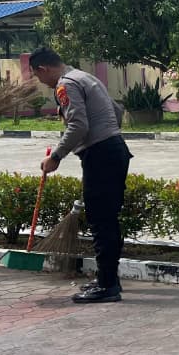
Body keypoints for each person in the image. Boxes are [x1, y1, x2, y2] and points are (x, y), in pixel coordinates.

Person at [29, 48, 131, 304]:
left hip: (101, 155)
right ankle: (109, 278)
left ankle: (107, 286)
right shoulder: (85, 77)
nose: (41, 82)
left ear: (43, 69)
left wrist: (56, 156)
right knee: (107, 219)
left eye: (38, 77)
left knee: (101, 221)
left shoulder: (66, 84)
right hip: (114, 150)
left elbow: (78, 125)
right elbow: (116, 111)